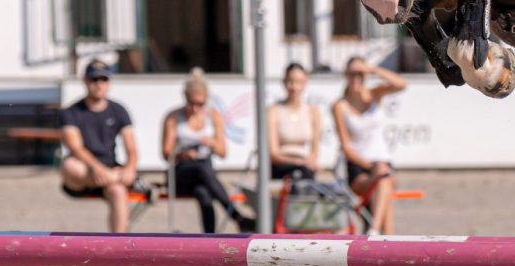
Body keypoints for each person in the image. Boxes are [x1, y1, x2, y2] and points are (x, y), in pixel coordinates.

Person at [160, 69, 255, 234]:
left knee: (203, 194)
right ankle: (236, 216)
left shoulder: (213, 116)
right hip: (181, 173)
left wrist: (211, 143)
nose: (196, 109)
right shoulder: (174, 117)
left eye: (201, 104)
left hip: (203, 175)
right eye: (192, 103)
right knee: (201, 168)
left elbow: (223, 153)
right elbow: (166, 153)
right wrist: (183, 153)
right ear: (185, 98)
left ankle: (209, 239)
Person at [58, 59, 137, 232]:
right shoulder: (71, 112)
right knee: (69, 166)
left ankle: (118, 248)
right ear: (85, 81)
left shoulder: (119, 110)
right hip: (84, 171)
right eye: (94, 79)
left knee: (118, 191)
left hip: (109, 169)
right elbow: (75, 147)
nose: (99, 84)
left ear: (109, 82)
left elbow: (131, 148)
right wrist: (97, 168)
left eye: (103, 79)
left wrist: (130, 167)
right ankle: (119, 179)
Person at [332, 57, 407, 233]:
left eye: (360, 74)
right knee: (384, 181)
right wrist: (372, 167)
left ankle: (375, 231)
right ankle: (382, 236)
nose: (356, 78)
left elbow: (401, 84)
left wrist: (373, 69)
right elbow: (346, 147)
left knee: (384, 181)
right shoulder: (340, 105)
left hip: (381, 162)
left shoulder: (373, 94)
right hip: (359, 166)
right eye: (352, 74)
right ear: (346, 75)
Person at [267, 62, 321, 182]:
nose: (294, 87)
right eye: (290, 81)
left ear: (305, 84)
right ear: (284, 82)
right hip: (281, 166)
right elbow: (274, 153)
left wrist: (306, 162)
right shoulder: (274, 111)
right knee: (298, 175)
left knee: (304, 175)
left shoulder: (313, 111)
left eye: (298, 82)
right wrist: (298, 162)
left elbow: (314, 152)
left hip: (305, 166)